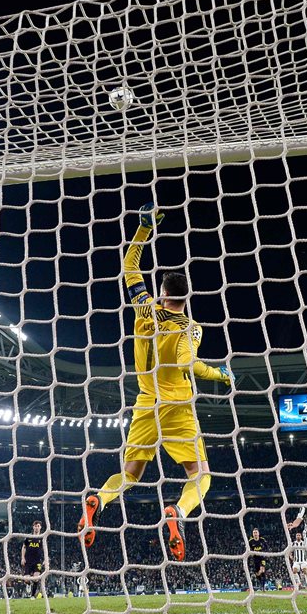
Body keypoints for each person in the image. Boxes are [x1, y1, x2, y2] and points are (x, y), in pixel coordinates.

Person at [78, 204, 233, 562]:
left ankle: (100, 499)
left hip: (146, 402)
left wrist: (144, 228)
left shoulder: (145, 308)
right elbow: (188, 363)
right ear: (185, 297)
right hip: (178, 406)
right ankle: (178, 511)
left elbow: (130, 267)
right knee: (201, 475)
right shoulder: (191, 327)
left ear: (163, 293)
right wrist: (220, 374)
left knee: (130, 474)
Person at [20, 521, 47, 598]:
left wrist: (45, 559)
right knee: (26, 579)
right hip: (28, 561)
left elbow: (45, 549)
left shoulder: (42, 538)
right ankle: (28, 584)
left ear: (40, 527)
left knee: (36, 579)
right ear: (33, 527)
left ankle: (32, 596)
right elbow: (24, 547)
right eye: (35, 526)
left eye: (38, 526)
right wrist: (23, 558)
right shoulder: (28, 537)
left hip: (37, 561)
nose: (36, 527)